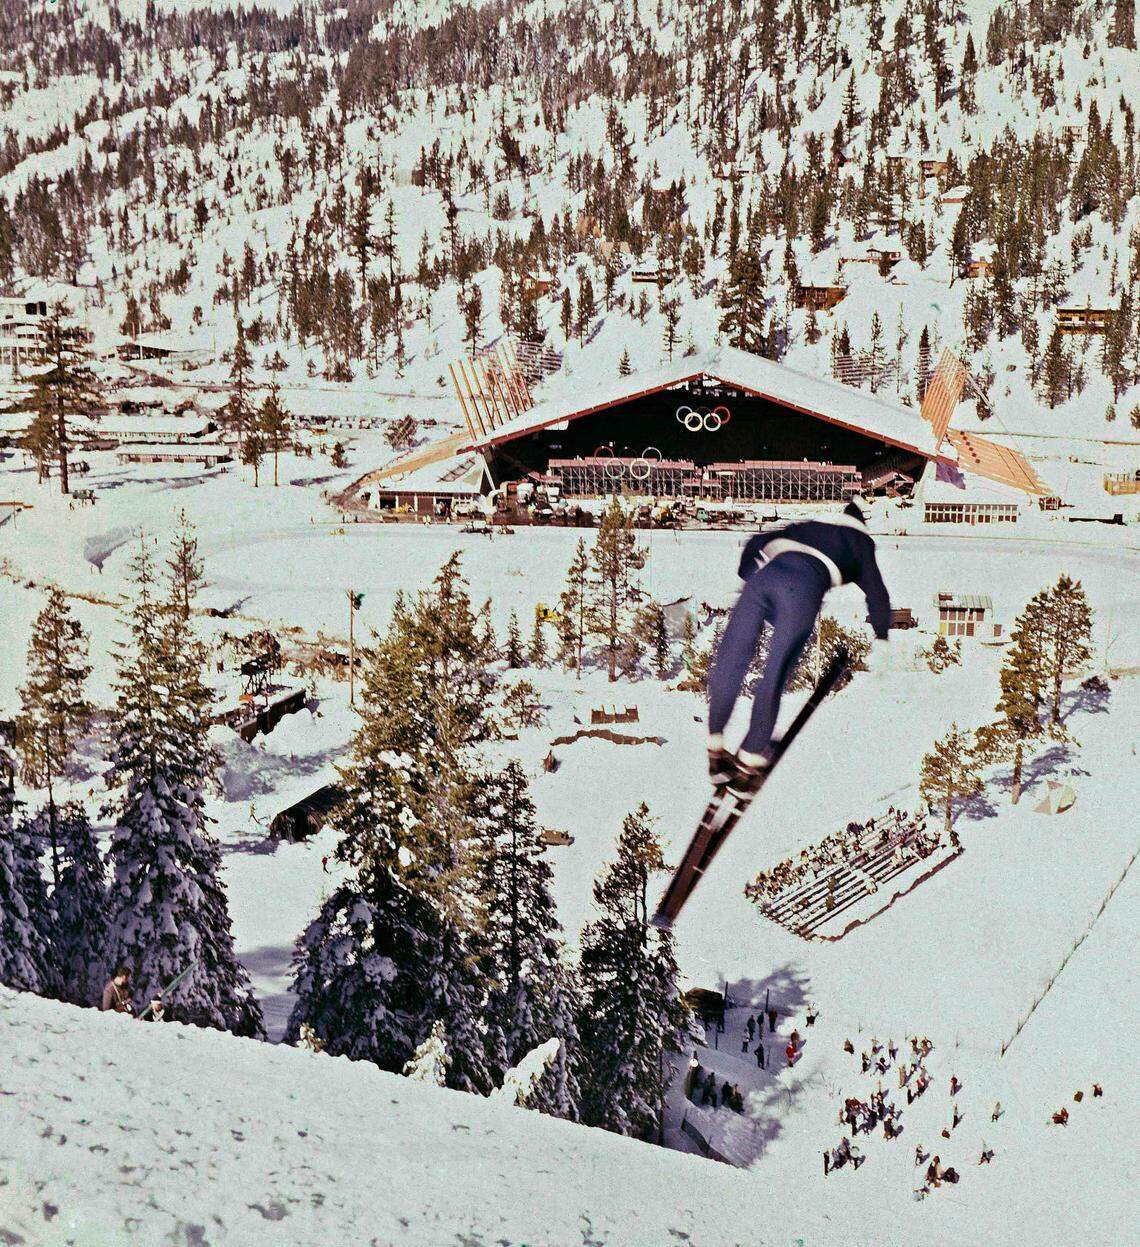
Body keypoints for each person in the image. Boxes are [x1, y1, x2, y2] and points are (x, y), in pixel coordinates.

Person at [706, 496, 891, 794]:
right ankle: (749, 760)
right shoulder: (860, 543)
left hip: (764, 578)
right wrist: (882, 637)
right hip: (803, 587)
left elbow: (756, 542)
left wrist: (751, 578)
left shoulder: (810, 526)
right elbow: (878, 594)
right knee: (776, 671)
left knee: (732, 657)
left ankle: (715, 748)